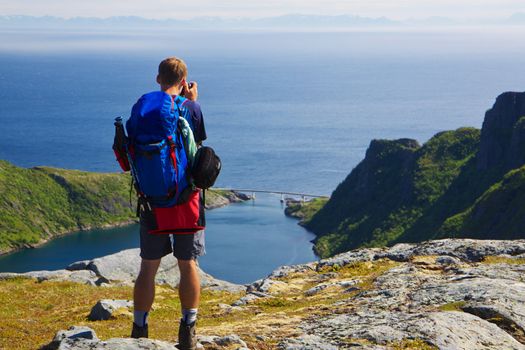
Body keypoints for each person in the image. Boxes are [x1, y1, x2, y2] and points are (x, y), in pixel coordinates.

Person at [130, 57, 207, 350]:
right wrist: (192, 101)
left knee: (147, 267)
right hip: (185, 200)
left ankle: (139, 328)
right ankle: (188, 330)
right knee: (187, 263)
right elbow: (197, 150)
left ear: (157, 79)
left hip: (151, 201)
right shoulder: (190, 108)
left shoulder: (143, 110)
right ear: (184, 80)